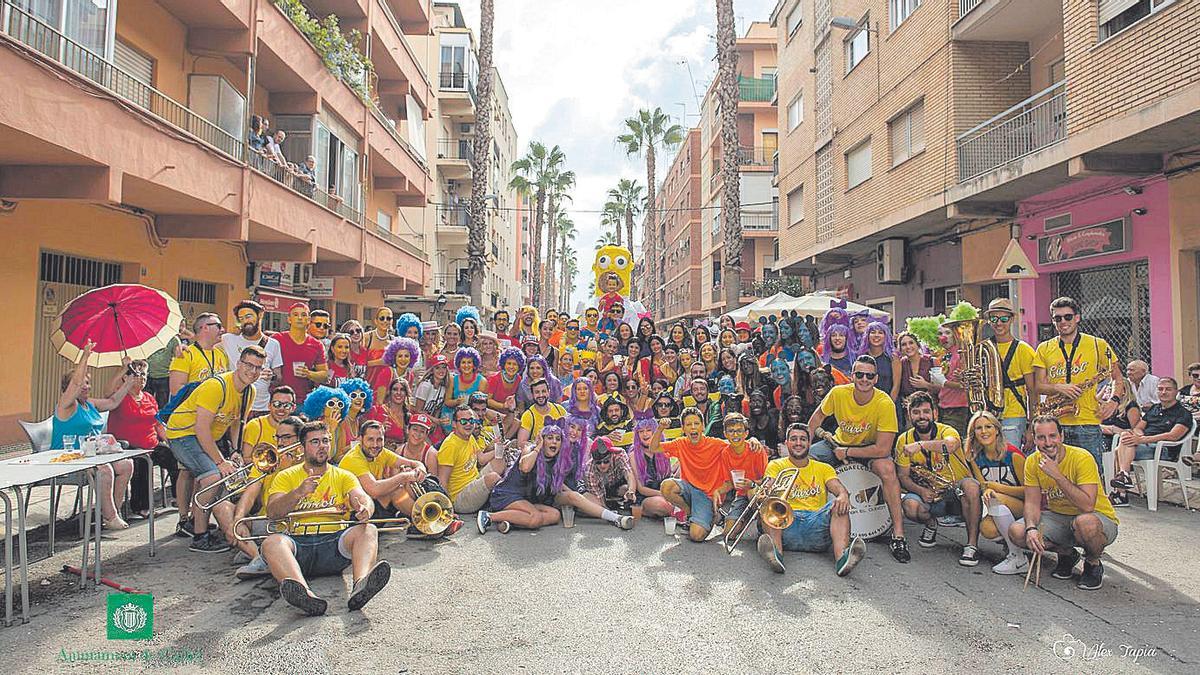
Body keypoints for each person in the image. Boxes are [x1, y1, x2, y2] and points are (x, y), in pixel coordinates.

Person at [261, 421, 391, 615]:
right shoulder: (286, 476)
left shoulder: (343, 475)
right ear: (303, 447)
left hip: (334, 544)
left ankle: (361, 584)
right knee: (272, 542)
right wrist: (298, 493)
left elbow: (361, 496)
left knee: (368, 529)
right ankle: (303, 594)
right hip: (299, 546)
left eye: (325, 441)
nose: (322, 446)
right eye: (315, 442)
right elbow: (273, 512)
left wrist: (365, 508)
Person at [807, 355, 909, 562]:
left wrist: (848, 453)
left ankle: (898, 535)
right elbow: (816, 418)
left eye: (869, 376)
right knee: (810, 458)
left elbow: (883, 448)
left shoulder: (884, 403)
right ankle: (812, 521)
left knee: (888, 471)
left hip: (869, 449)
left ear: (876, 379)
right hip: (837, 443)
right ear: (852, 376)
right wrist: (803, 446)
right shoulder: (838, 393)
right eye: (860, 374)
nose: (864, 379)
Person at [166, 345, 264, 552]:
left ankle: (195, 522)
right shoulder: (217, 386)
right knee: (212, 477)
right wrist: (220, 461)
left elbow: (237, 422)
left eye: (258, 368)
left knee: (221, 476)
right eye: (249, 365)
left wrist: (235, 450)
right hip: (183, 433)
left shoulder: (249, 391)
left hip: (208, 435)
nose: (253, 371)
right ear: (238, 364)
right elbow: (201, 428)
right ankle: (200, 537)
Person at [1009, 416, 1120, 591]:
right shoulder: (1032, 461)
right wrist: (1031, 529)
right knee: (1017, 532)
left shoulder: (1081, 457)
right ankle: (1067, 553)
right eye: (1041, 437)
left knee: (1085, 523)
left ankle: (1092, 563)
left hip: (1096, 518)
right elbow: (1032, 503)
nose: (1048, 443)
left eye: (1052, 436)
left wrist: (1058, 476)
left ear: (1062, 436)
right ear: (1034, 438)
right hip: (1059, 517)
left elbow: (1087, 506)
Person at [755, 423, 867, 577]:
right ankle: (776, 554)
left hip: (816, 526)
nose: (798, 443)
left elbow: (839, 489)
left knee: (838, 504)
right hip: (786, 525)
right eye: (793, 439)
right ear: (787, 443)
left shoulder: (824, 468)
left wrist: (843, 496)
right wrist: (764, 493)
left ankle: (843, 559)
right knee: (768, 506)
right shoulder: (776, 465)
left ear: (809, 443)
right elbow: (769, 484)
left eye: (803, 439)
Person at [1033, 296, 1124, 468]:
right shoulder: (1044, 348)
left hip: (1088, 422)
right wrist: (1058, 387)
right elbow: (1038, 386)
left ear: (1077, 317)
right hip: (1055, 424)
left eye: (1067, 317)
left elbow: (1117, 377)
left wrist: (1114, 401)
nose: (1063, 322)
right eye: (1057, 318)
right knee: (1055, 477)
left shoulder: (1098, 344)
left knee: (1090, 476)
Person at [53, 341, 136, 529]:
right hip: (68, 458)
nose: (85, 386)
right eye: (82, 383)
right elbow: (75, 383)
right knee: (104, 470)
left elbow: (113, 401)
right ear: (69, 388)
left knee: (126, 465)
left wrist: (127, 379)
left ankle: (110, 511)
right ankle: (110, 516)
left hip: (92, 455)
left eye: (87, 383)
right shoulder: (66, 405)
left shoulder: (89, 404)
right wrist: (85, 356)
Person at [894, 392, 982, 566]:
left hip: (957, 490)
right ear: (909, 415)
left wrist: (920, 445)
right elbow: (903, 476)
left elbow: (950, 445)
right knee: (910, 506)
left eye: (926, 412)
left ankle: (972, 545)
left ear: (935, 413)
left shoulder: (946, 430)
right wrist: (920, 491)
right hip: (930, 493)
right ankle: (931, 524)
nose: (922, 417)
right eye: (916, 412)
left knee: (972, 487)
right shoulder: (903, 439)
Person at [229, 414, 303, 580]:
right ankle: (258, 557)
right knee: (222, 508)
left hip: (292, 522)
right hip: (265, 520)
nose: (280, 442)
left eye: (286, 437)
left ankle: (256, 553)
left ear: (300, 439)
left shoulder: (307, 462)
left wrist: (285, 470)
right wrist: (238, 519)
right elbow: (250, 494)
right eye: (278, 437)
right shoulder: (268, 459)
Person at [106, 359, 178, 519]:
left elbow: (158, 424)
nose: (142, 378)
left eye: (144, 375)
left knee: (175, 456)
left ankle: (178, 497)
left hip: (151, 444)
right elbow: (108, 392)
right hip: (127, 446)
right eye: (138, 375)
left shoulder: (148, 398)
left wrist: (171, 441)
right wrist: (123, 368)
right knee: (142, 463)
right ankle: (140, 507)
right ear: (127, 377)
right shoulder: (120, 396)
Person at [649, 408, 731, 542]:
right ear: (683, 428)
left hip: (708, 495)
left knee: (696, 536)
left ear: (703, 426)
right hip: (690, 489)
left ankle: (716, 517)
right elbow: (654, 448)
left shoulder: (716, 444)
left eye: (696, 423)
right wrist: (660, 429)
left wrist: (753, 440)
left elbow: (737, 444)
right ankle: (690, 514)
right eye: (688, 424)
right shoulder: (681, 443)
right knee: (666, 486)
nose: (693, 427)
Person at [1109, 377, 1193, 507]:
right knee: (1125, 438)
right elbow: (1138, 427)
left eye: (1168, 389)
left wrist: (1141, 439)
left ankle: (1121, 493)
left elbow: (1173, 436)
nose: (1163, 392)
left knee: (1123, 445)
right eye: (1160, 389)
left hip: (1163, 449)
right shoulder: (1155, 408)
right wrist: (1137, 435)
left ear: (1176, 392)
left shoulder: (1183, 413)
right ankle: (1123, 478)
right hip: (1144, 445)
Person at [963, 411, 1029, 575]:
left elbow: (1030, 492)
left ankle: (1018, 558)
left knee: (995, 498)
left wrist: (996, 488)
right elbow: (984, 487)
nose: (984, 431)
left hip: (1026, 508)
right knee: (987, 529)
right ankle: (1012, 548)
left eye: (988, 426)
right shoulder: (976, 457)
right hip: (999, 505)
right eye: (978, 428)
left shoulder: (1012, 454)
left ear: (997, 430)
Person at [477, 427, 568, 533]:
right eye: (550, 438)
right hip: (506, 495)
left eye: (558, 439)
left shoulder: (556, 461)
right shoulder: (529, 450)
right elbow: (525, 467)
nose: (554, 441)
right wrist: (538, 448)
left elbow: (559, 484)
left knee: (554, 515)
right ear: (542, 440)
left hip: (525, 500)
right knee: (536, 518)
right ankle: (489, 516)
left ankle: (511, 521)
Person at [982, 299, 1035, 450]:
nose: (999, 323)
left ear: (1011, 319)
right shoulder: (982, 348)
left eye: (1004, 319)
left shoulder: (1024, 350)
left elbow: (1032, 391)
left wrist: (1031, 426)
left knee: (1011, 460)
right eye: (994, 319)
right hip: (987, 414)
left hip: (1014, 414)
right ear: (989, 321)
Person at [436, 406, 505, 513]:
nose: (468, 424)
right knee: (493, 478)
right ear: (454, 424)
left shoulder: (469, 437)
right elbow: (442, 481)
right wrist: (447, 510)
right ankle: (504, 506)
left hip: (473, 481)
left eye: (471, 420)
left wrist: (499, 448)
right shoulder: (450, 445)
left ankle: (497, 501)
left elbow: (481, 459)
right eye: (463, 421)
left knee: (501, 460)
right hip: (459, 498)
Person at [221, 300, 282, 419]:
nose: (245, 321)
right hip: (234, 407)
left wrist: (272, 376)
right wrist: (181, 346)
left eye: (248, 316)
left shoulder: (273, 344)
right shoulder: (228, 339)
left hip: (261, 408)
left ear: (260, 315)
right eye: (241, 318)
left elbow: (278, 377)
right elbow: (203, 343)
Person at [271, 303, 328, 405]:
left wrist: (309, 374)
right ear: (289, 319)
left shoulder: (317, 345)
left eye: (303, 315)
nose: (300, 318)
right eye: (296, 315)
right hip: (277, 400)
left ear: (308, 320)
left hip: (303, 401)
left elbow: (324, 375)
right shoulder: (276, 339)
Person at [579, 438, 639, 528]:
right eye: (598, 462)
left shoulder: (619, 454)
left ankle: (622, 502)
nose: (602, 465)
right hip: (597, 490)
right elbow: (599, 496)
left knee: (627, 489)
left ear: (611, 455)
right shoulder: (589, 469)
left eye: (606, 461)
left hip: (616, 484)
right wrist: (608, 512)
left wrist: (631, 491)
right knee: (597, 506)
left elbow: (629, 473)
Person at [721, 413, 769, 522]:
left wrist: (751, 483)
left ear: (746, 433)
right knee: (729, 533)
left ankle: (762, 523)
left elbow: (768, 480)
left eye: (739, 431)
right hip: (741, 494)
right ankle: (744, 517)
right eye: (731, 431)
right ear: (725, 434)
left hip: (759, 491)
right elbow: (729, 483)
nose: (735, 435)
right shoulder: (725, 453)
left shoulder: (755, 449)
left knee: (751, 492)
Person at [170, 313, 229, 396]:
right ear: (205, 328)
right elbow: (176, 390)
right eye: (218, 326)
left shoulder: (221, 354)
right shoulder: (185, 354)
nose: (222, 329)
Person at [629, 418, 675, 518]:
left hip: (664, 491)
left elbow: (669, 476)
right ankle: (643, 511)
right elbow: (641, 489)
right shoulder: (633, 455)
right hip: (646, 496)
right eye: (641, 431)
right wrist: (664, 495)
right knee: (663, 505)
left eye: (648, 430)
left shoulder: (663, 449)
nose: (645, 434)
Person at [935, 324, 971, 438]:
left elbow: (966, 385)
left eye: (947, 333)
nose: (943, 337)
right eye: (940, 334)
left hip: (958, 408)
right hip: (943, 406)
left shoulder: (961, 354)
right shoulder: (944, 355)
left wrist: (943, 382)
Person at [517, 379, 567, 444]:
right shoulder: (528, 415)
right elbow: (521, 443)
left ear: (548, 392)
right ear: (532, 395)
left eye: (543, 391)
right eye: (537, 392)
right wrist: (537, 444)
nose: (541, 395)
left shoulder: (560, 409)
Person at [363, 307, 395, 395]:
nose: (385, 321)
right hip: (368, 385)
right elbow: (359, 364)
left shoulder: (393, 341)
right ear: (376, 321)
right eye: (382, 318)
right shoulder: (366, 338)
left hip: (386, 389)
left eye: (388, 318)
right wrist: (379, 362)